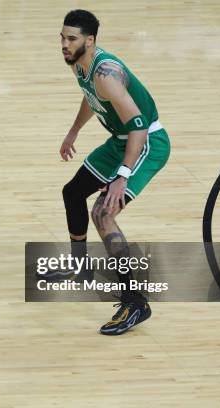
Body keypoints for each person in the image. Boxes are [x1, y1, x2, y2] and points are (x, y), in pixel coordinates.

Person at [58, 10, 170, 335]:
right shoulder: (82, 64)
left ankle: (136, 302)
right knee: (73, 192)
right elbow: (91, 98)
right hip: (120, 140)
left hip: (146, 142)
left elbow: (138, 125)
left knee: (103, 214)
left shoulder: (107, 72)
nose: (65, 44)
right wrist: (73, 132)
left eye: (72, 39)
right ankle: (80, 268)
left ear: (90, 41)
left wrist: (122, 176)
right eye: (62, 38)